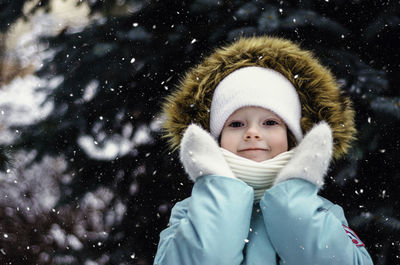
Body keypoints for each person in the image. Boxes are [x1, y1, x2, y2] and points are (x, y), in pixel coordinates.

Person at [153, 36, 374, 265]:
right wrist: (220, 192)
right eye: (236, 124)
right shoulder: (189, 212)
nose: (252, 133)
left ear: (291, 137)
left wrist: (294, 200)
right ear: (215, 139)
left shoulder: (324, 212)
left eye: (270, 123)